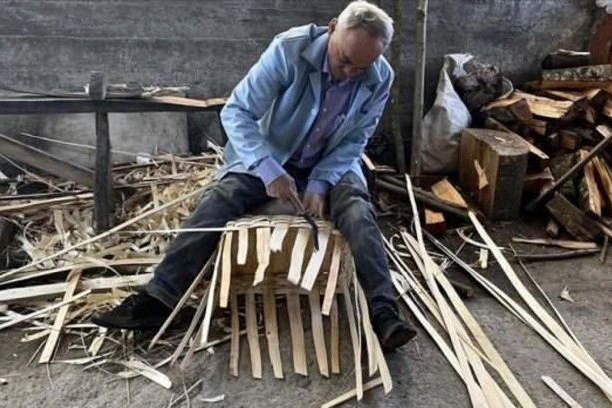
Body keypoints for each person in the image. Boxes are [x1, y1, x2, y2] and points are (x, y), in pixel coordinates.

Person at [92, 0, 417, 352]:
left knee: (356, 208)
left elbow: (356, 139)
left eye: (362, 66)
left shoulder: (379, 75)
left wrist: (322, 181)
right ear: (332, 27)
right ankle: (159, 298)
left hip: (332, 161)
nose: (351, 73)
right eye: (345, 60)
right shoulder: (289, 50)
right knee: (222, 197)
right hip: (272, 153)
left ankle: (385, 312)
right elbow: (237, 112)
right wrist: (267, 167)